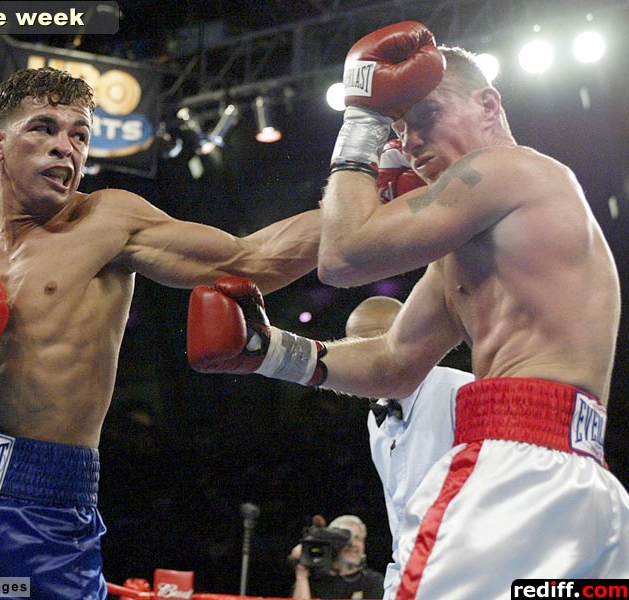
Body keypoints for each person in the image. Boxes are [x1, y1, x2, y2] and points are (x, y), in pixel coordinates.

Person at [0, 67, 321, 599]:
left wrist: (361, 197)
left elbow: (253, 260)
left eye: (79, 135)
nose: (66, 147)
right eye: (44, 128)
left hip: (38, 511)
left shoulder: (107, 221)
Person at [186, 20, 629, 599]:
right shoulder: (471, 248)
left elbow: (342, 256)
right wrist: (268, 351)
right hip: (586, 482)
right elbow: (395, 364)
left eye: (426, 116)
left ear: (488, 105)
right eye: (398, 128)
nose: (411, 140)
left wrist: (362, 121)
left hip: (515, 466)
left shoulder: (507, 170)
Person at [346, 297, 473, 597]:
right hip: (411, 573)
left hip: (468, 572)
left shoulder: (462, 391)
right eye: (355, 349)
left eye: (375, 345)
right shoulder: (376, 417)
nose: (364, 360)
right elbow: (399, 512)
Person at [290, 515, 384, 600]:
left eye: (357, 538)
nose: (352, 544)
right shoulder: (313, 581)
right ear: (330, 543)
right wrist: (301, 573)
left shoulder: (373, 582)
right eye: (346, 538)